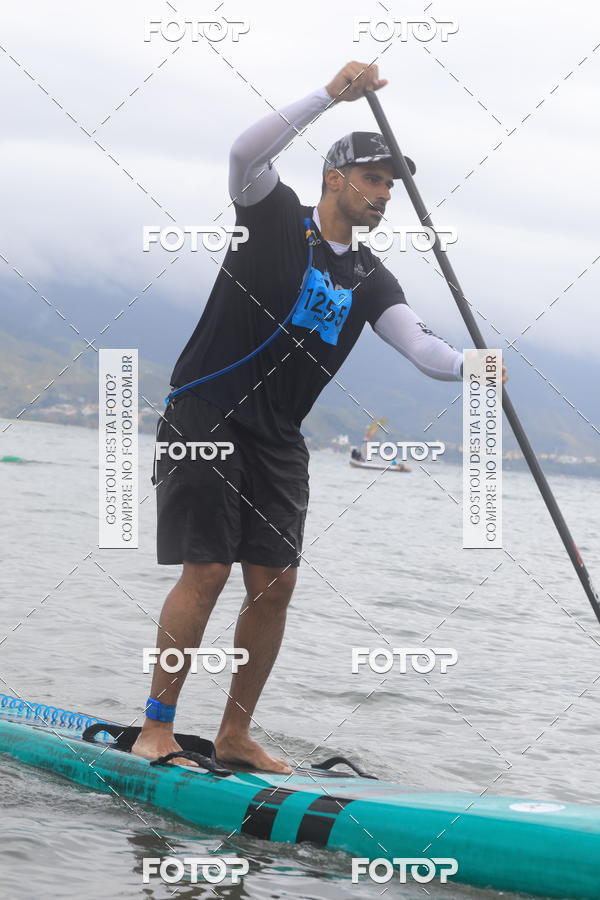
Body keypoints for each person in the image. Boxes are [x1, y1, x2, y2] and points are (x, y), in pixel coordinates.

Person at [133, 61, 506, 773]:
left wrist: (471, 366)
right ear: (335, 178)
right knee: (207, 569)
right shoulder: (271, 214)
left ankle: (236, 735)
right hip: (207, 413)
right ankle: (158, 725)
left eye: (392, 185)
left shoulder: (370, 276)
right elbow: (245, 152)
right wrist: (329, 96)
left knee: (275, 583)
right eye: (373, 179)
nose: (385, 194)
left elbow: (422, 346)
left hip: (278, 439)